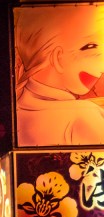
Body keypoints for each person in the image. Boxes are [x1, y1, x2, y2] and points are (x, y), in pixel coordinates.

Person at [14, 5, 104, 146]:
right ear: (57, 58)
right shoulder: (84, 116)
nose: (102, 66)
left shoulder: (16, 110)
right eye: (91, 47)